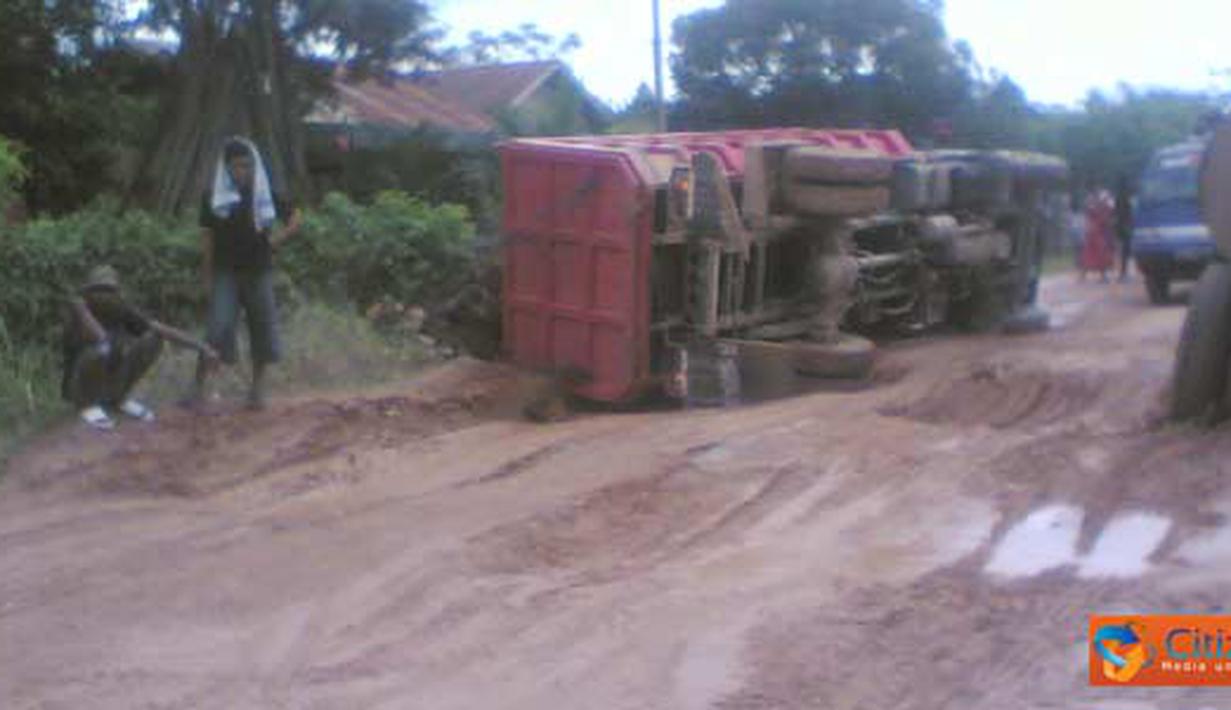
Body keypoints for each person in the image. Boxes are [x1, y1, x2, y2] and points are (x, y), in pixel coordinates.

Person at [188, 137, 300, 410]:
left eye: (248, 166)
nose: (243, 172)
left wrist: (275, 241)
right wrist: (206, 278)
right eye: (237, 166)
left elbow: (296, 219)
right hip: (225, 273)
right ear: (226, 167)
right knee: (216, 329)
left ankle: (257, 391)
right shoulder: (213, 196)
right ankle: (197, 388)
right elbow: (207, 240)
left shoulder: (263, 192)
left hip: (258, 271)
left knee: (261, 328)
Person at [63, 265, 220, 430]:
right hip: (78, 383)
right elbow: (100, 338)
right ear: (88, 293)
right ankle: (87, 405)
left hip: (110, 375)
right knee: (101, 350)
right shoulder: (79, 311)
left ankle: (118, 398)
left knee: (152, 338)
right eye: (98, 291)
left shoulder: (120, 308)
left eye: (109, 291)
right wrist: (81, 309)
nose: (103, 296)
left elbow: (160, 328)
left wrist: (203, 347)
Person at [1080, 183, 1116, 282]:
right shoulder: (1093, 201)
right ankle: (1088, 275)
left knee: (1096, 252)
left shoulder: (1100, 200)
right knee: (1093, 252)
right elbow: (1091, 213)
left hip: (1098, 230)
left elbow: (1107, 213)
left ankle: (1097, 275)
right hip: (1095, 230)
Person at [1115, 175, 1135, 281]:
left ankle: (1122, 273)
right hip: (1125, 226)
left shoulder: (1117, 196)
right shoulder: (1126, 196)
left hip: (1119, 226)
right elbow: (1128, 213)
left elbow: (1116, 212)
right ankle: (1123, 273)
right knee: (1125, 251)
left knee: (1121, 250)